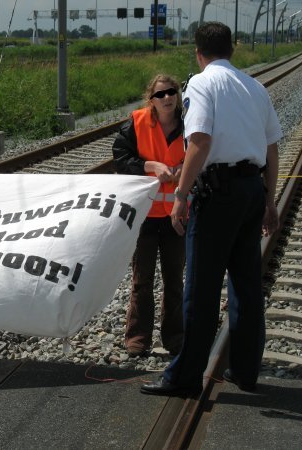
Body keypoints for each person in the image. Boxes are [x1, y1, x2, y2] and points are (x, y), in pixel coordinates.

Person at [141, 22, 282, 396]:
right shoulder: (254, 87)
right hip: (253, 189)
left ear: (198, 52)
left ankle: (185, 377)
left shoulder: (202, 83)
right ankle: (247, 370)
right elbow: (271, 149)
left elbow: (199, 142)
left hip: (217, 194)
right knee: (247, 284)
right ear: (232, 49)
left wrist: (180, 196)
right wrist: (269, 201)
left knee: (201, 290)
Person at [113, 74, 186, 357]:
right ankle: (138, 338)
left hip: (177, 217)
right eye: (161, 94)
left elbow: (203, 154)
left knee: (174, 280)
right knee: (142, 280)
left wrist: (186, 170)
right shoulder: (137, 123)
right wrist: (150, 166)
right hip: (143, 216)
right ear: (151, 99)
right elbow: (121, 159)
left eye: (172, 92)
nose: (167, 97)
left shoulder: (190, 123)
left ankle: (175, 338)